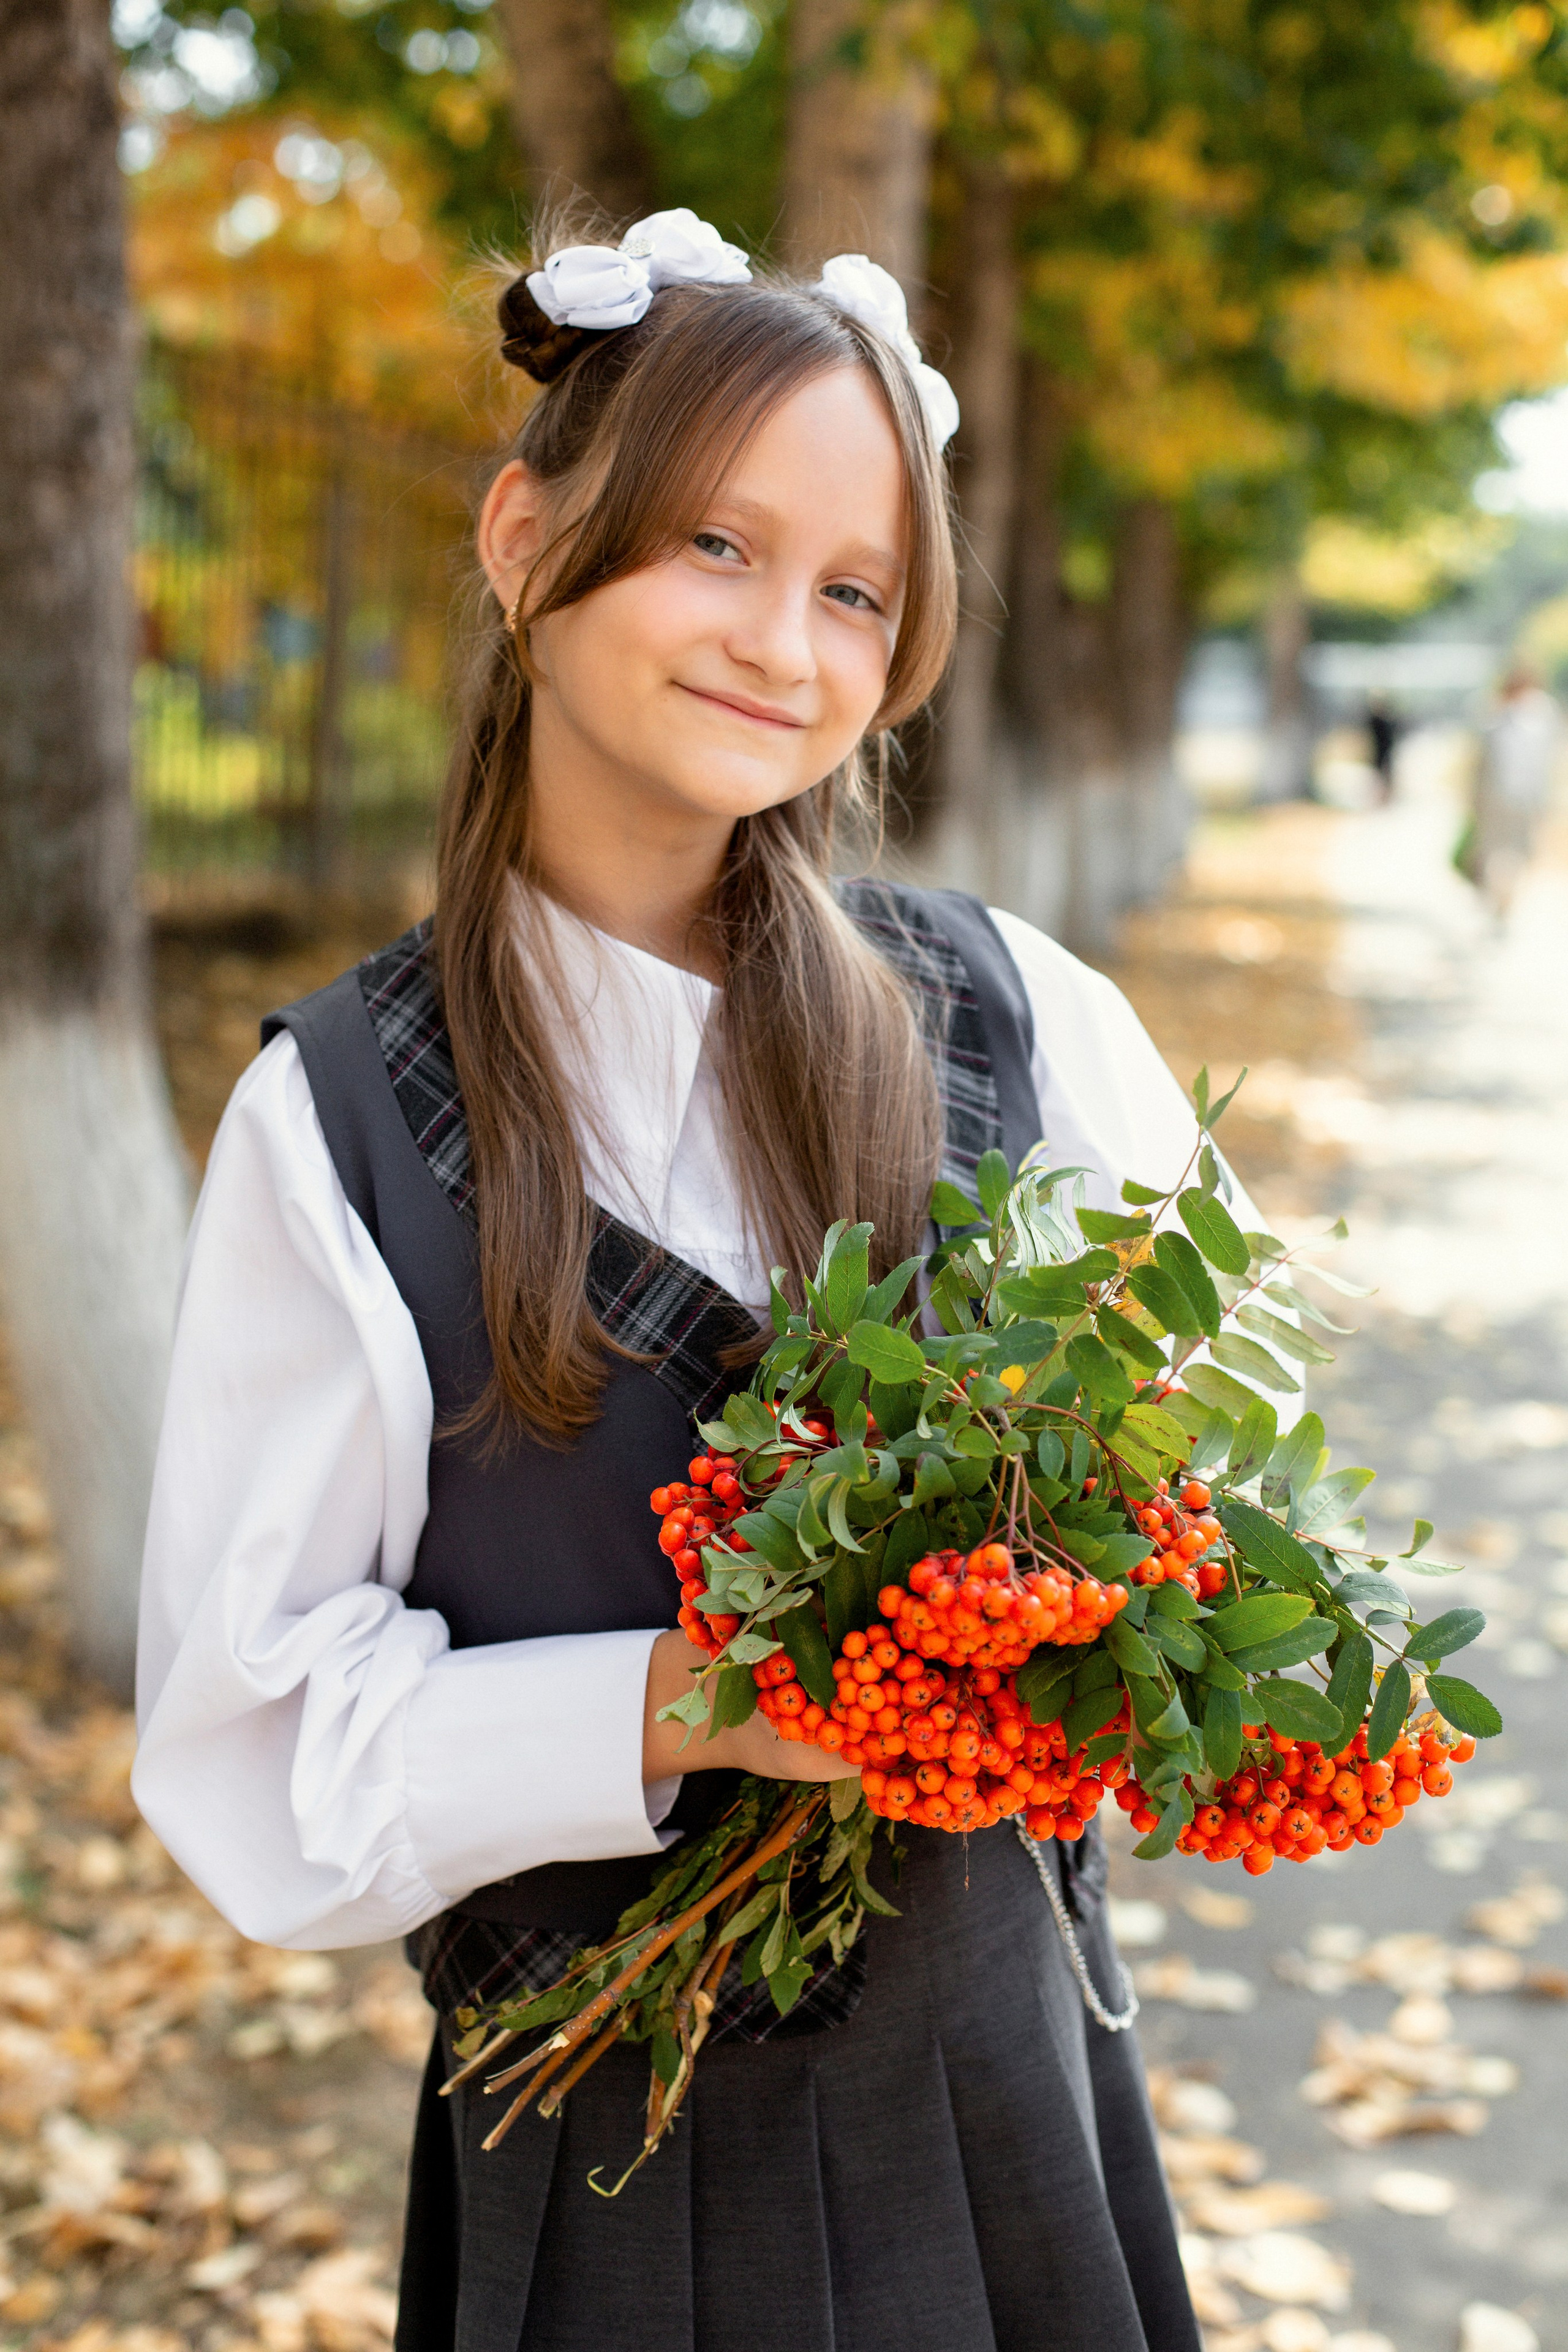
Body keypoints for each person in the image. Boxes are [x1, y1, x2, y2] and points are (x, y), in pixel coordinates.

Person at [133, 210, 1207, 2352]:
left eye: (853, 592)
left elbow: (1197, 1526)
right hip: (602, 2166)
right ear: (528, 536)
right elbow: (253, 1754)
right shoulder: (339, 1119)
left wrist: (1103, 1640)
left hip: (1004, 2115)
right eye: (715, 546)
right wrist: (706, 1703)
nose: (781, 645)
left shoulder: (1021, 1020)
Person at [1471, 662, 1561, 921]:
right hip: (1498, 797)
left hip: (1523, 797)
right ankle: (1499, 897)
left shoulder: (1540, 713)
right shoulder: (1494, 715)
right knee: (1496, 851)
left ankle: (1504, 897)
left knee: (1518, 851)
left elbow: (1547, 762)